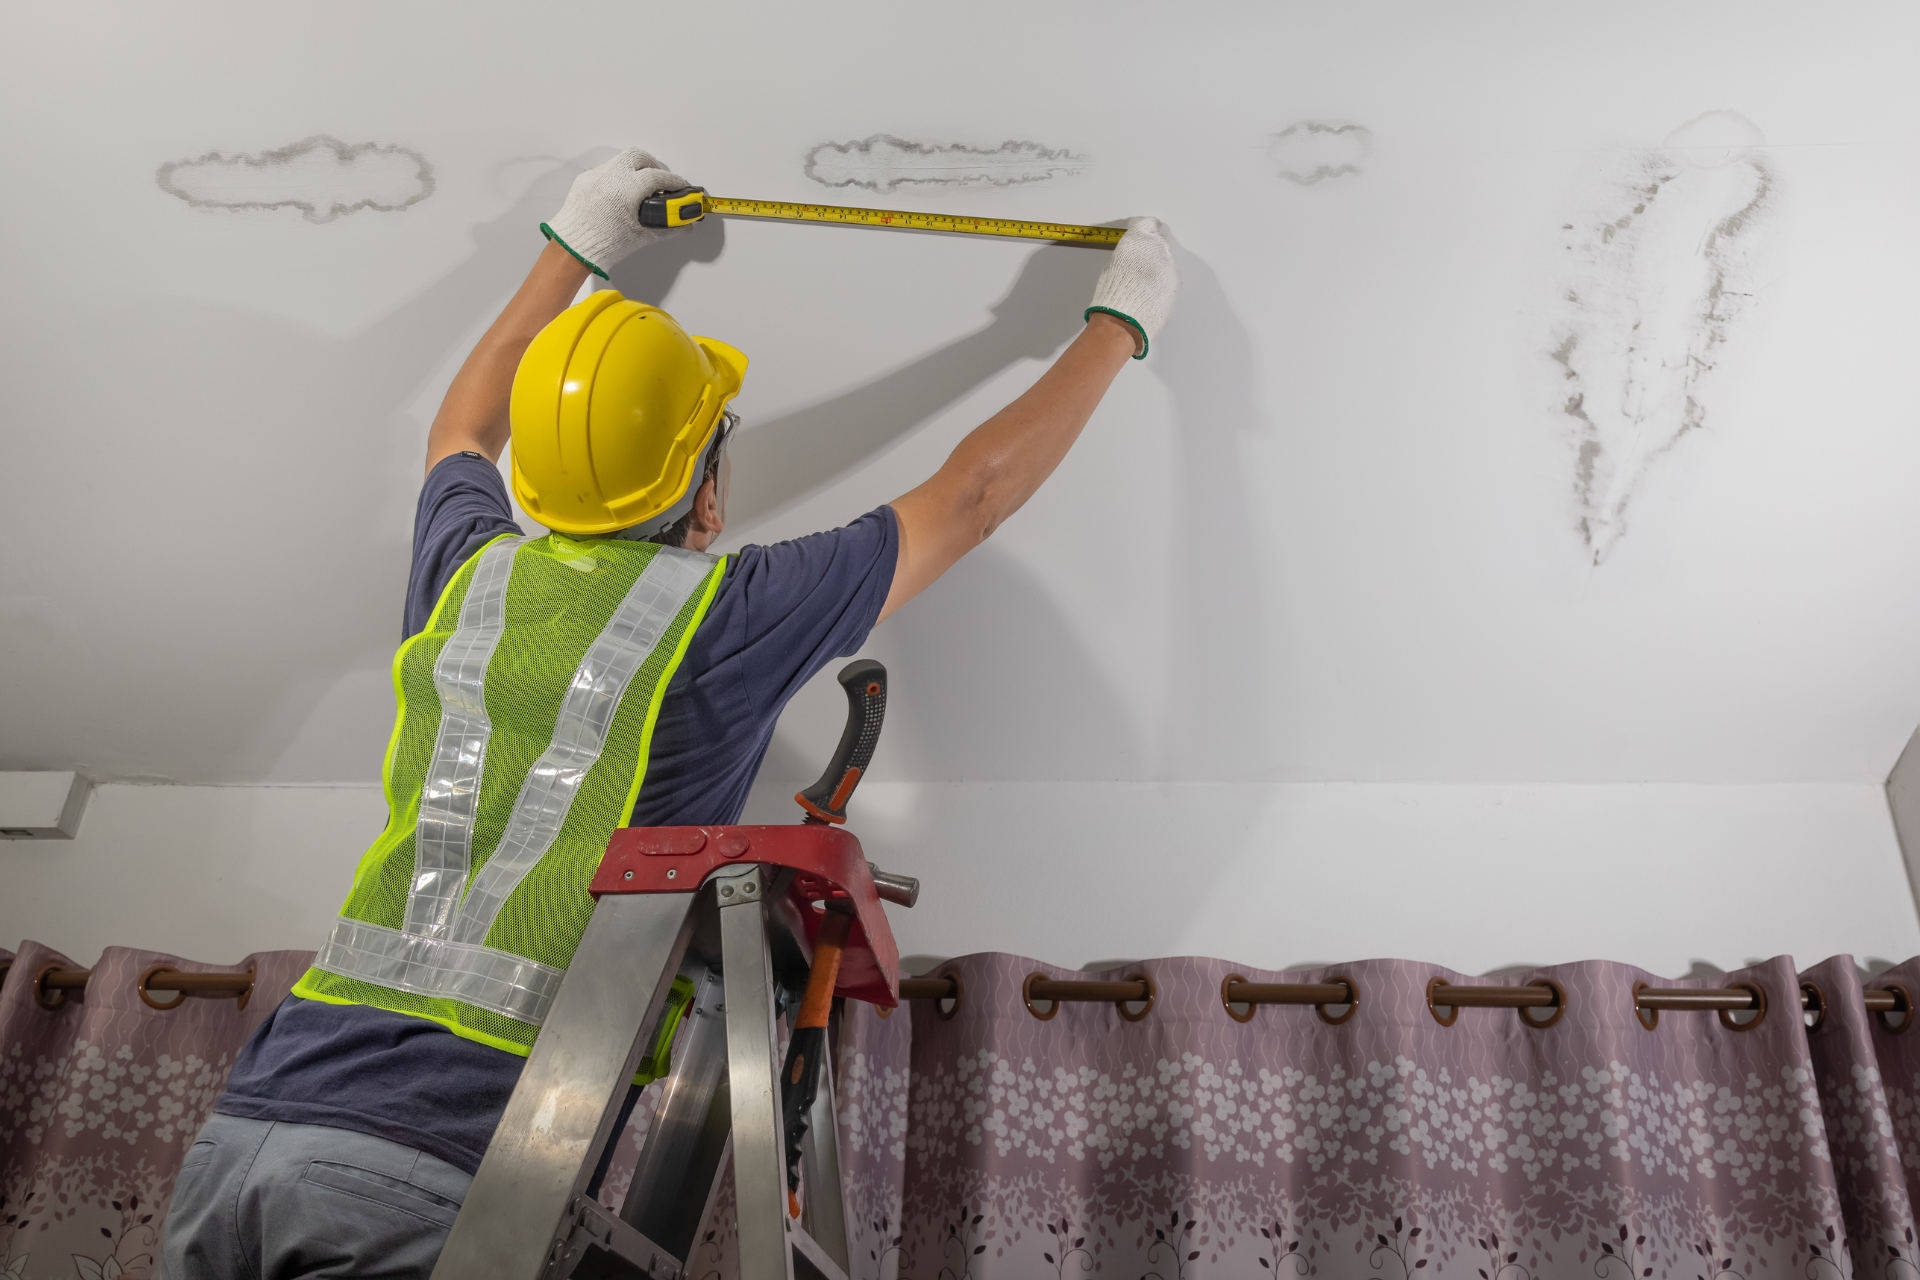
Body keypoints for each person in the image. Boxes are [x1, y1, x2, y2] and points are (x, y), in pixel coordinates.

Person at [161, 147, 1178, 1280]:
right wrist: (1120, 323)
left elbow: (458, 427)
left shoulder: (467, 570)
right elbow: (973, 496)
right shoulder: (725, 615)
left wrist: (574, 245)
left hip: (246, 1136)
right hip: (433, 1161)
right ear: (704, 483)